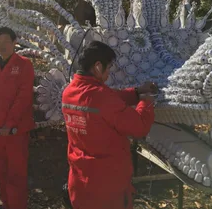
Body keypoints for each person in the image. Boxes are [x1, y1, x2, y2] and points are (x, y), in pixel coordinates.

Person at [61, 40, 157, 209]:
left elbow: (108, 100)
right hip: (107, 187)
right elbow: (139, 127)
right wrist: (146, 102)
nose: (109, 73)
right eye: (109, 67)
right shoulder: (101, 97)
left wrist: (136, 93)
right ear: (98, 67)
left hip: (80, 181)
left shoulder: (69, 92)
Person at [0, 27, 35, 209]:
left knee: (16, 173)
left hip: (15, 130)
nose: (2, 45)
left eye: (6, 41)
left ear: (14, 43)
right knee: (2, 171)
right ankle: (6, 203)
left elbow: (24, 97)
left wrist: (9, 124)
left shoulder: (24, 64)